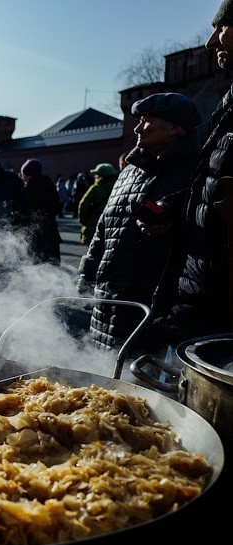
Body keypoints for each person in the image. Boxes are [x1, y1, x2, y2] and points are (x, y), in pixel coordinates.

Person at [77, 93, 201, 350]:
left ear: (175, 128)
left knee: (138, 384)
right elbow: (103, 230)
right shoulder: (130, 171)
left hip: (151, 309)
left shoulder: (197, 171)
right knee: (101, 381)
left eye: (147, 121)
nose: (137, 128)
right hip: (107, 301)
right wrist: (86, 277)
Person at [150, 1, 233, 345]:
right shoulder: (228, 106)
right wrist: (177, 209)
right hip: (201, 314)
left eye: (222, 27)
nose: (210, 42)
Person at [19, 159, 62, 265]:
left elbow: (24, 213)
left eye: (23, 174)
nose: (22, 177)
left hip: (36, 236)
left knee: (38, 269)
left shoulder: (28, 190)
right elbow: (57, 207)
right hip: (52, 234)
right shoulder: (50, 186)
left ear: (28, 174)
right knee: (54, 269)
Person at [77, 163, 119, 245]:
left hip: (95, 223)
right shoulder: (119, 187)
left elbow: (83, 205)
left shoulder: (96, 188)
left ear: (100, 176)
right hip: (114, 225)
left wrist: (83, 220)